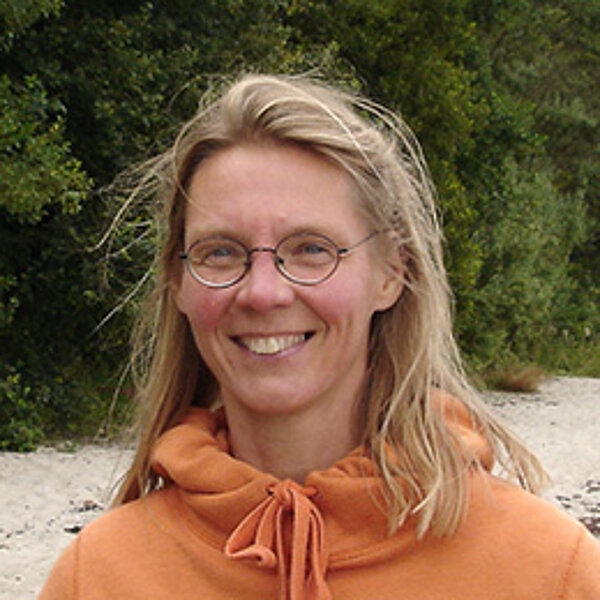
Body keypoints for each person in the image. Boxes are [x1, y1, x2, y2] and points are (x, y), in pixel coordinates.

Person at [39, 74, 600, 600]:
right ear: (178, 283)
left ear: (391, 273)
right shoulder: (99, 576)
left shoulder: (549, 571)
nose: (263, 292)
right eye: (221, 252)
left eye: (311, 249)